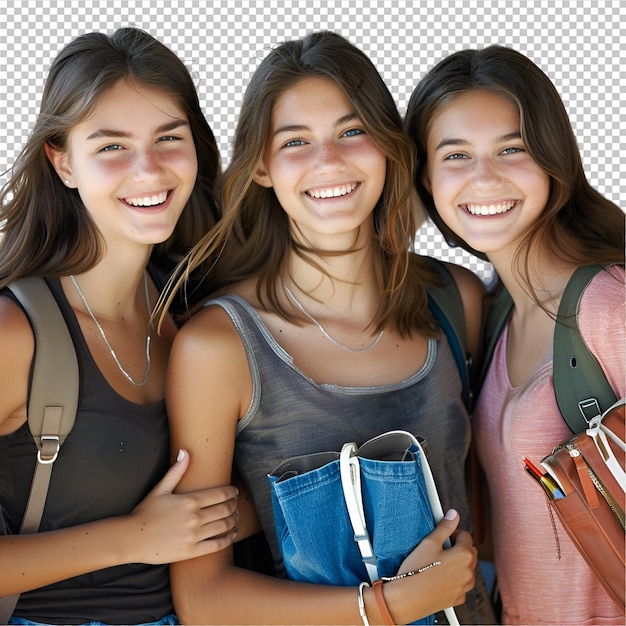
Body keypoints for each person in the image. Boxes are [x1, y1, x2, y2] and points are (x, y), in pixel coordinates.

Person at [162, 30, 496, 625]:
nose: (329, 161)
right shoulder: (218, 346)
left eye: (351, 131)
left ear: (388, 147)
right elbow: (203, 600)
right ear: (261, 167)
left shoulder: (455, 300)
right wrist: (392, 606)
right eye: (296, 141)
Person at [0, 27, 240, 625]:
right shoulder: (17, 333)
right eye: (111, 146)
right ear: (63, 162)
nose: (149, 169)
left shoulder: (193, 313)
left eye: (169, 138)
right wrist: (132, 538)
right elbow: (154, 533)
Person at [404, 45, 625, 625]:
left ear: (555, 161)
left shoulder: (607, 305)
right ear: (426, 177)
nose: (485, 178)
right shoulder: (497, 309)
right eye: (456, 155)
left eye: (512, 149)